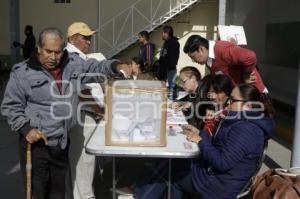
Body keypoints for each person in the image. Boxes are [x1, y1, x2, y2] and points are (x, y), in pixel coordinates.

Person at [1, 27, 131, 199]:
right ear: (39, 48)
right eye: (48, 51)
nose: (53, 57)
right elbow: (11, 106)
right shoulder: (22, 72)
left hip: (61, 143)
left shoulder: (72, 64)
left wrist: (116, 66)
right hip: (36, 144)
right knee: (37, 193)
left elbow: (96, 66)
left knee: (58, 193)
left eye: (57, 52)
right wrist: (26, 129)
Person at [134, 84, 275, 199]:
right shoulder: (243, 121)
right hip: (219, 175)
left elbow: (222, 162)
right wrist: (199, 133)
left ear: (248, 106)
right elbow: (219, 145)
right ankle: (140, 194)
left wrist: (201, 141)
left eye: (232, 100)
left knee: (172, 169)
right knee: (172, 162)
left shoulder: (246, 129)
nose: (228, 104)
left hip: (219, 185)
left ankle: (140, 196)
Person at [65, 22, 105, 199]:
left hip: (86, 113)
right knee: (83, 163)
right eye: (85, 38)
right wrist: (100, 111)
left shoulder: (79, 56)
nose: (89, 42)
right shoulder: (72, 57)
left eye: (90, 38)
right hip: (83, 115)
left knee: (81, 164)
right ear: (73, 39)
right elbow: (81, 90)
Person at [183, 34, 267, 93]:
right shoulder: (208, 59)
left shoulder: (222, 50)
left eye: (193, 57)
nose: (194, 61)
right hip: (238, 95)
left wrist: (247, 75)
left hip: (252, 94)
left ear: (201, 49)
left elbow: (250, 56)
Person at [158, 25, 180, 96]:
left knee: (172, 87)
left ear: (167, 33)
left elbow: (173, 57)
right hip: (165, 69)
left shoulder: (174, 43)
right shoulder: (166, 42)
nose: (162, 34)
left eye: (163, 33)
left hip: (170, 69)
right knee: (168, 87)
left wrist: (167, 66)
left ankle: (173, 100)